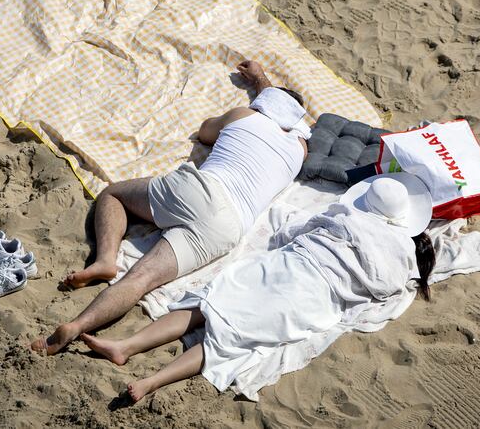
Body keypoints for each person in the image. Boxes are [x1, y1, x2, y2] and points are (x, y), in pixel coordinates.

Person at [81, 173, 437, 403]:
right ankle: (152, 381)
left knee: (209, 303)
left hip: (290, 265)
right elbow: (379, 291)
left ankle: (126, 345)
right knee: (232, 342)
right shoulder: (403, 255)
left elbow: (294, 232)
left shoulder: (347, 215)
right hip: (315, 298)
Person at [32, 60, 308, 355]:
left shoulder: (244, 115)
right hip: (230, 227)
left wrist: (258, 81)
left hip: (203, 191)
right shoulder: (300, 150)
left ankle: (105, 260)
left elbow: (205, 133)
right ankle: (76, 327)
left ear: (264, 103)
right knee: (140, 280)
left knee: (113, 195)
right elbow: (282, 108)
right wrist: (263, 82)